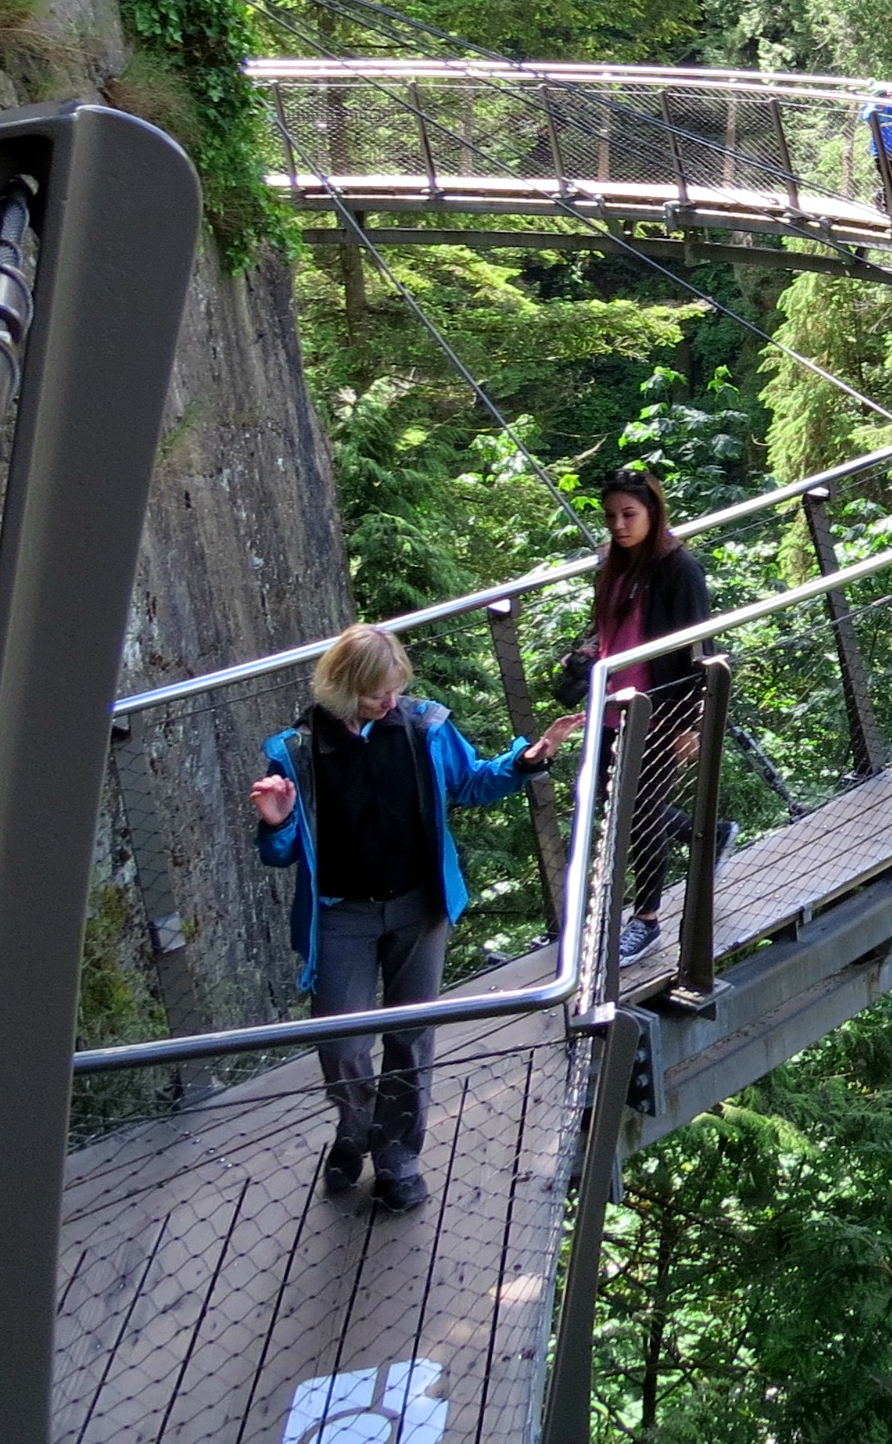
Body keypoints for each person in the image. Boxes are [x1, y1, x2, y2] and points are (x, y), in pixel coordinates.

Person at [249, 625, 580, 1213]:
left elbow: (473, 783)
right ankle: (355, 1129)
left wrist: (529, 759)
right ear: (346, 689)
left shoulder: (424, 726)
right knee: (340, 1040)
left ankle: (398, 1160)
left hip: (418, 907)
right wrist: (276, 822)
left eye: (396, 689)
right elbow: (281, 853)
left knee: (409, 1038)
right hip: (340, 916)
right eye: (379, 693)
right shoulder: (296, 751)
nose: (391, 702)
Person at [551, 468, 715, 962]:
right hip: (609, 705)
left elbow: (696, 645)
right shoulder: (614, 566)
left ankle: (646, 919)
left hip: (656, 709)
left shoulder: (678, 568)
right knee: (612, 802)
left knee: (639, 814)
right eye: (612, 517)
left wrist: (689, 722)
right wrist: (585, 653)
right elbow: (612, 631)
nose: (619, 525)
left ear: (652, 513)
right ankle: (703, 831)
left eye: (629, 515)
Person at [865, 84, 892, 229]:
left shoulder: (891, 109)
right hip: (879, 151)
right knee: (888, 179)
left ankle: (879, 196)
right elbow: (866, 115)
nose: (886, 100)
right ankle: (888, 208)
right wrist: (876, 104)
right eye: (883, 97)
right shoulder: (872, 110)